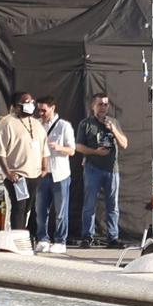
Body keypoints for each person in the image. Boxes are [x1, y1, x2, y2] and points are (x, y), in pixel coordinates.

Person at [74, 92, 127, 248]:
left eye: (105, 104)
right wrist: (95, 152)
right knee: (89, 204)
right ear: (93, 106)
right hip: (93, 168)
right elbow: (78, 146)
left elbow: (124, 144)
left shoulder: (114, 122)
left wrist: (113, 130)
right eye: (100, 104)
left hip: (112, 169)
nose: (103, 107)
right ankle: (87, 236)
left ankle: (113, 237)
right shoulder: (85, 124)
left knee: (113, 205)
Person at [0, 91, 47, 233]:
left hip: (34, 175)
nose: (31, 105)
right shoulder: (7, 123)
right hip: (17, 175)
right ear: (17, 106)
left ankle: (23, 236)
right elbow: (0, 151)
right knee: (18, 207)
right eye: (26, 103)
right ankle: (16, 238)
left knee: (28, 209)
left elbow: (44, 148)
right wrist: (8, 173)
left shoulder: (36, 124)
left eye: (32, 102)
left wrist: (44, 167)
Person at [33, 97, 74, 254]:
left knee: (61, 211)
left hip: (59, 173)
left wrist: (58, 147)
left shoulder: (64, 126)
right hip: (42, 173)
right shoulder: (36, 124)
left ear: (53, 108)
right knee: (41, 210)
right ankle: (42, 238)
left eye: (44, 110)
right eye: (39, 110)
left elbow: (72, 150)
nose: (41, 113)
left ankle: (60, 240)